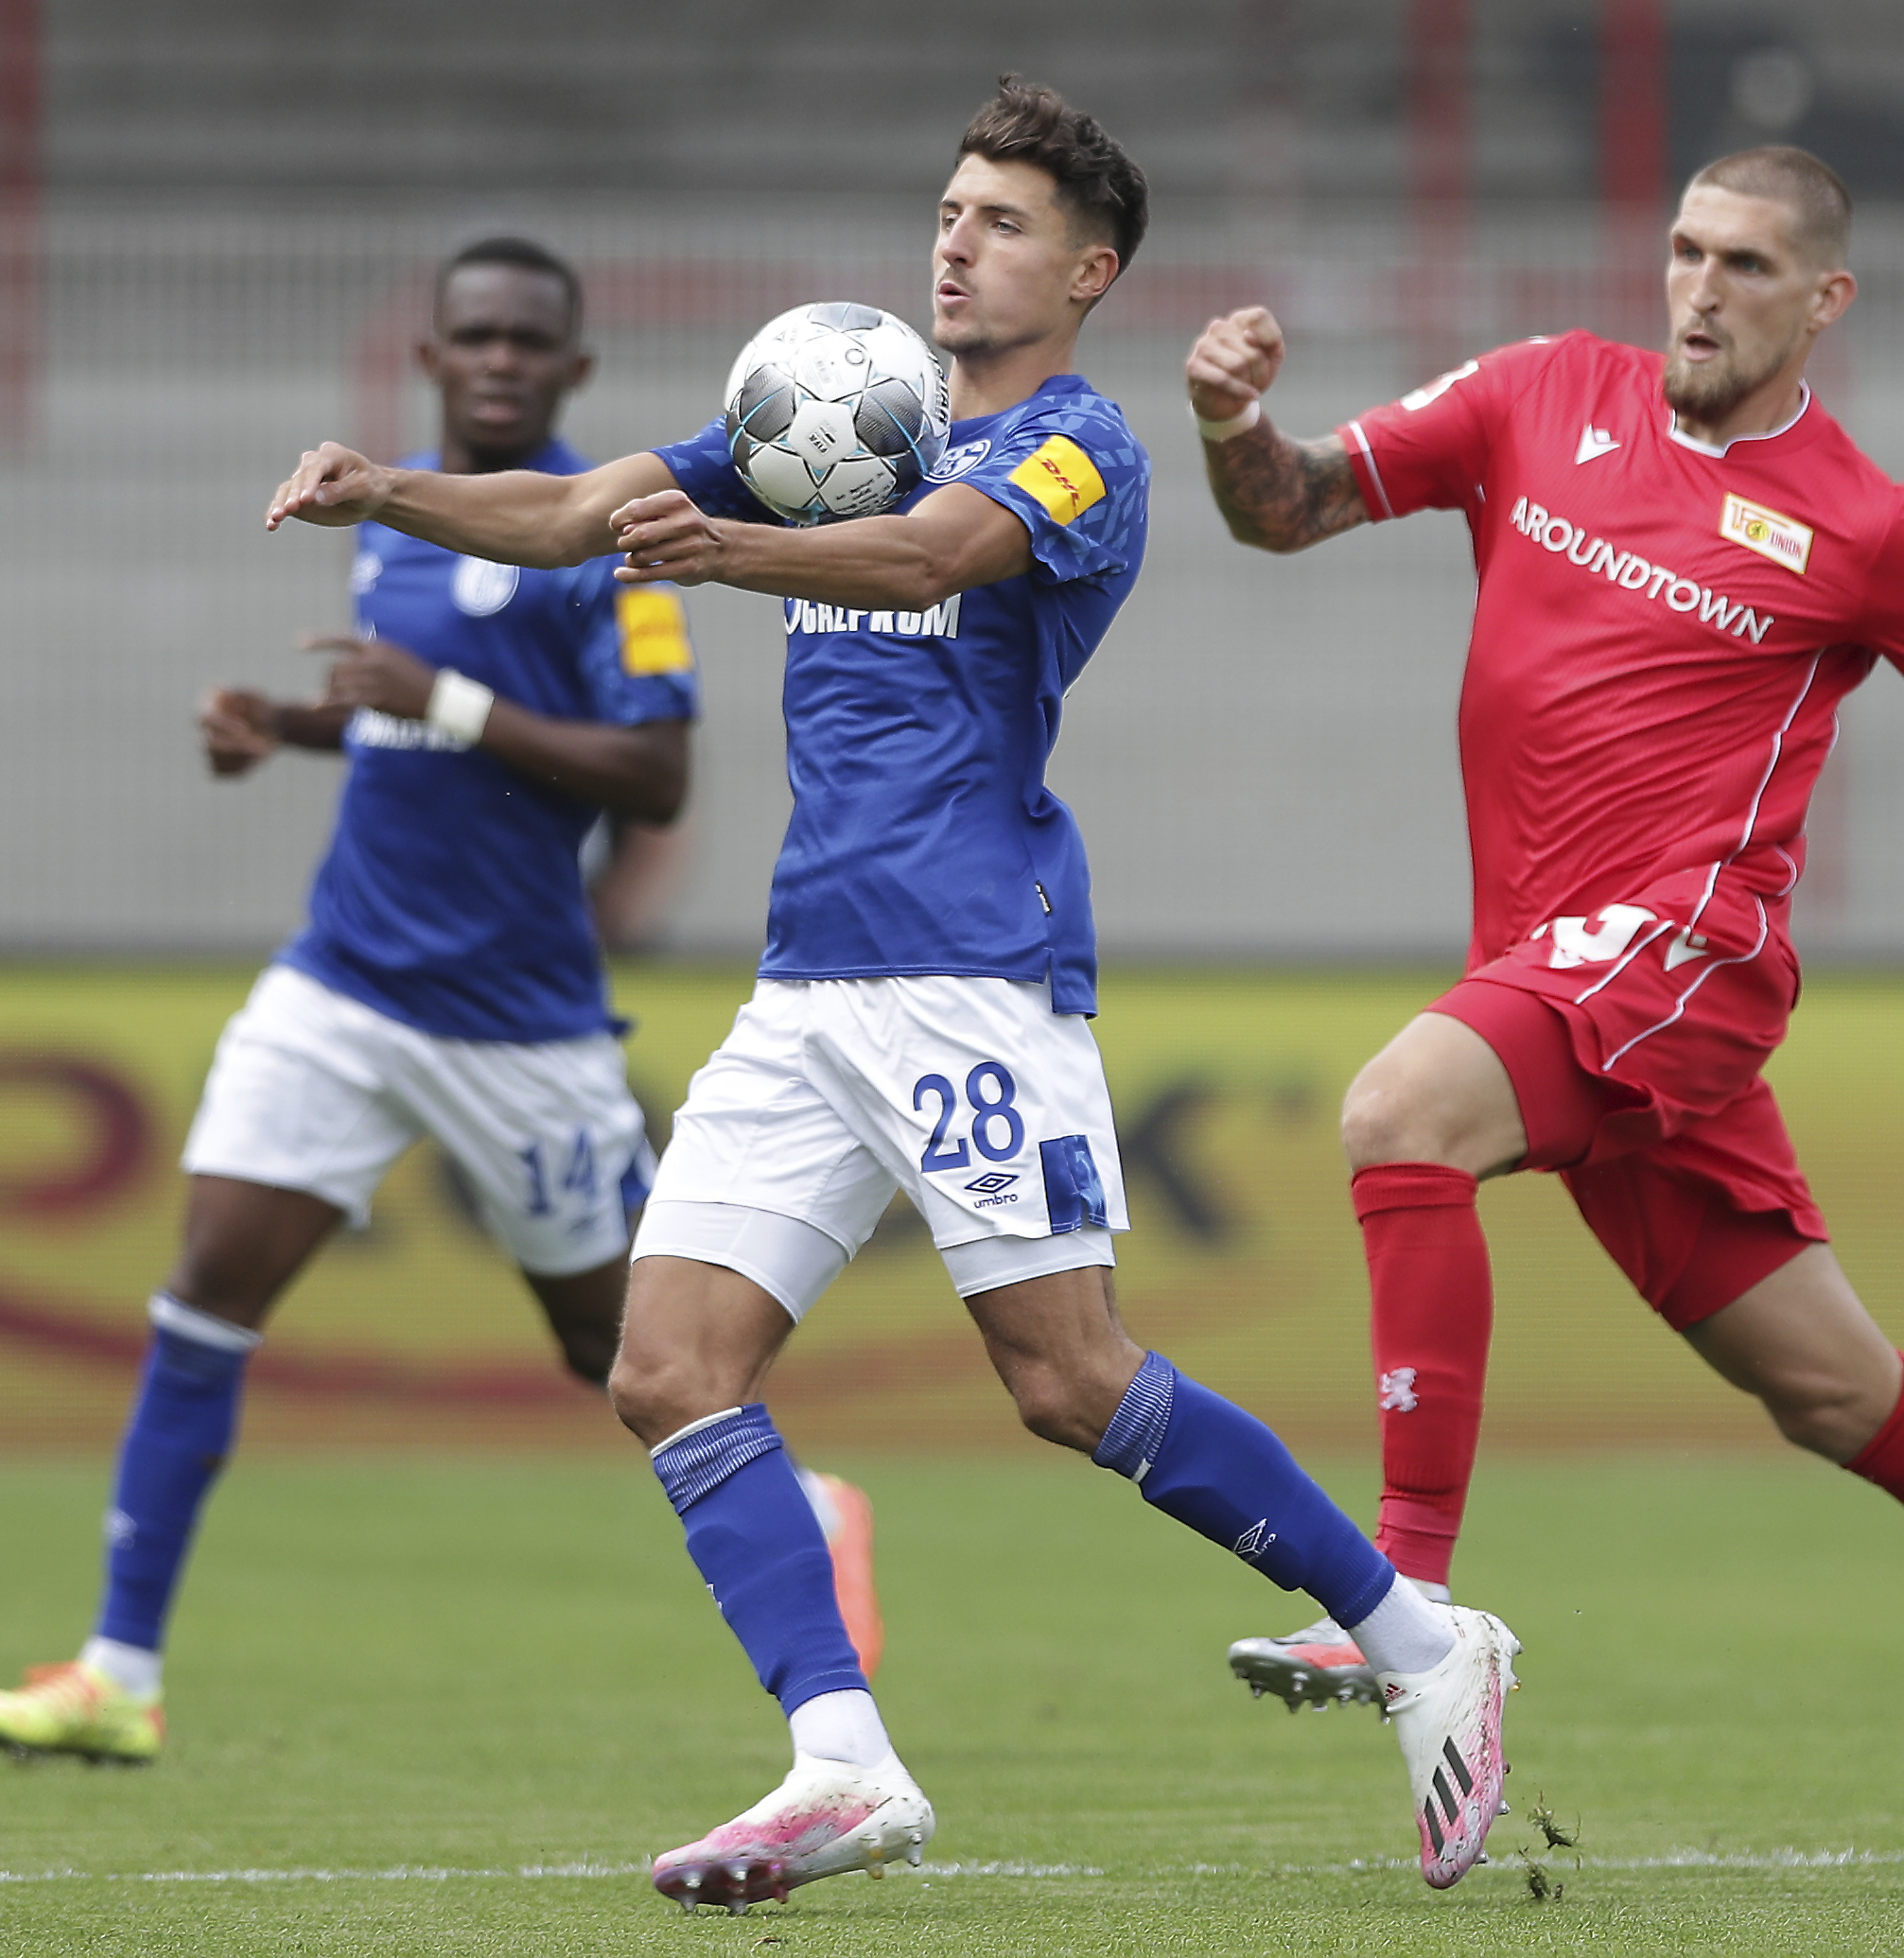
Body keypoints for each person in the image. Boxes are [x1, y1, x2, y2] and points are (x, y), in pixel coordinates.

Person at [262, 80, 1523, 1908]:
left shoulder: (1087, 441)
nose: (955, 240)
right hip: (807, 985)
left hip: (973, 978)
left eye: (1002, 221)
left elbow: (935, 554)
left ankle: (1421, 1642)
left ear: (1088, 269)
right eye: (948, 209)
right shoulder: (834, 403)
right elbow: (572, 508)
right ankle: (840, 1763)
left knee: (1070, 1381)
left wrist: (735, 550)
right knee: (665, 1364)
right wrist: (391, 486)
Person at [1183, 147, 1904, 1865]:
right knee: (1839, 1394)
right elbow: (1290, 505)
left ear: (1823, 301)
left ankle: (1413, 1609)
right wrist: (1227, 423)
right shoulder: (1539, 392)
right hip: (1565, 975)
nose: (1702, 289)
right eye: (1688, 252)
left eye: (1750, 267)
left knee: (1399, 1113)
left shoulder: (1873, 528)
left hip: (1688, 964)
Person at [0, 237, 883, 1762]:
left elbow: (655, 770)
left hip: (522, 1029)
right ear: (430, 360)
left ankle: (812, 1502)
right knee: (203, 1299)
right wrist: (294, 729)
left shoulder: (610, 539)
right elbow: (415, 731)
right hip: (343, 984)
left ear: (574, 372)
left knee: (625, 1359)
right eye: (474, 337)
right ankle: (117, 1672)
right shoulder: (385, 519)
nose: (501, 358)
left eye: (531, 341)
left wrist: (434, 700)